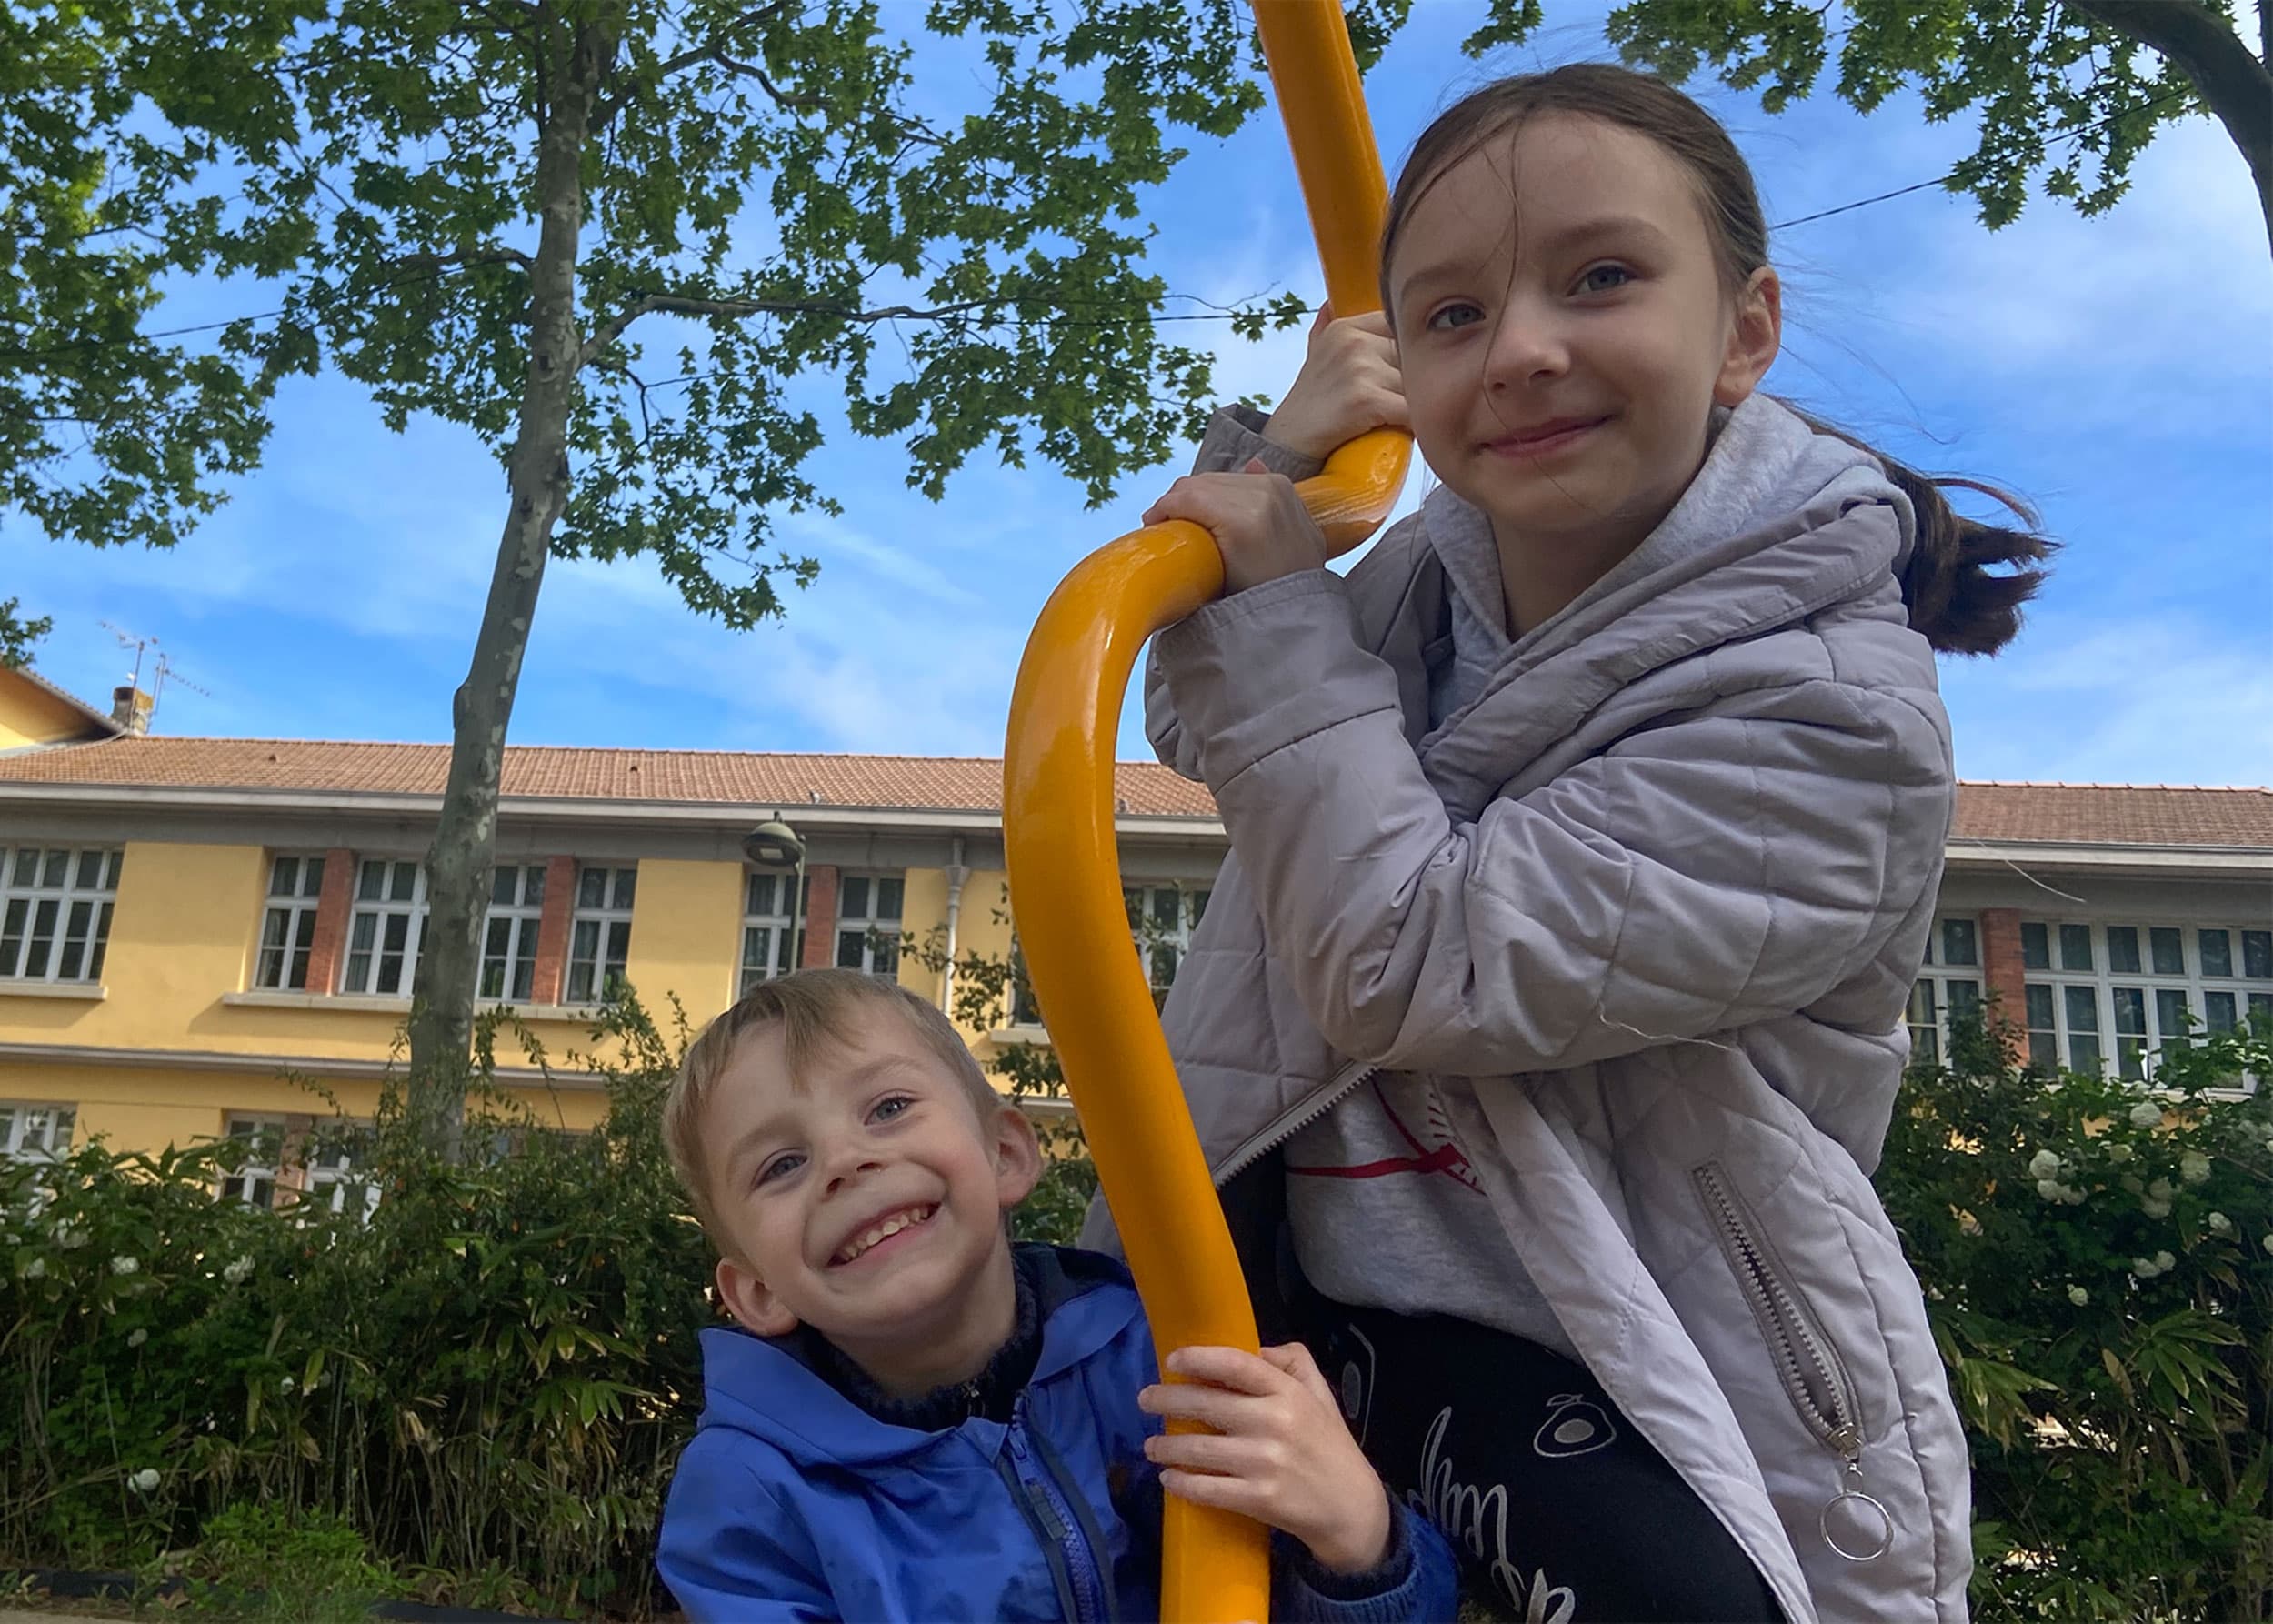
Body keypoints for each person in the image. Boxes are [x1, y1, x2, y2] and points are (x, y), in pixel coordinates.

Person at [1087, 62, 2054, 1624]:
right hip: (1314, 1285)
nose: (1524, 350)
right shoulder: (1430, 577)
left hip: (1618, 1351)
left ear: (1746, 328)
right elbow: (1213, 730)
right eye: (1453, 315)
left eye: (1600, 278)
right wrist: (1271, 475)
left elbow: (1420, 963)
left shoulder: (1832, 719)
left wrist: (1277, 611)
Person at [655, 967, 1458, 1621]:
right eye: (781, 1165)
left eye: (889, 1108)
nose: (843, 1160)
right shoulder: (749, 1499)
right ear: (755, 1292)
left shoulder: (1166, 1362)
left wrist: (1361, 1544)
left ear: (1005, 1153)